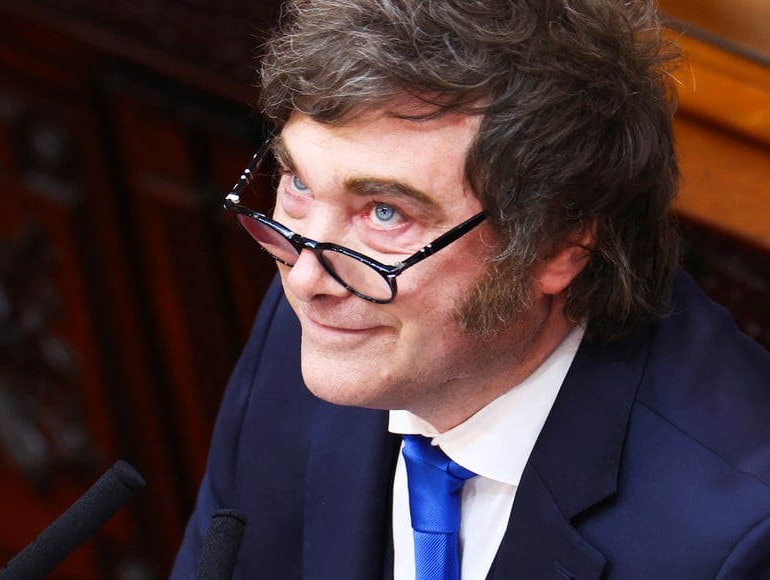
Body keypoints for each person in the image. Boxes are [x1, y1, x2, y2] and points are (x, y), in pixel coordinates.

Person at [172, 0, 770, 578]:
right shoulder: (323, 331)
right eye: (298, 184)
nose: (304, 279)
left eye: (385, 213)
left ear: (559, 244)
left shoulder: (737, 535)